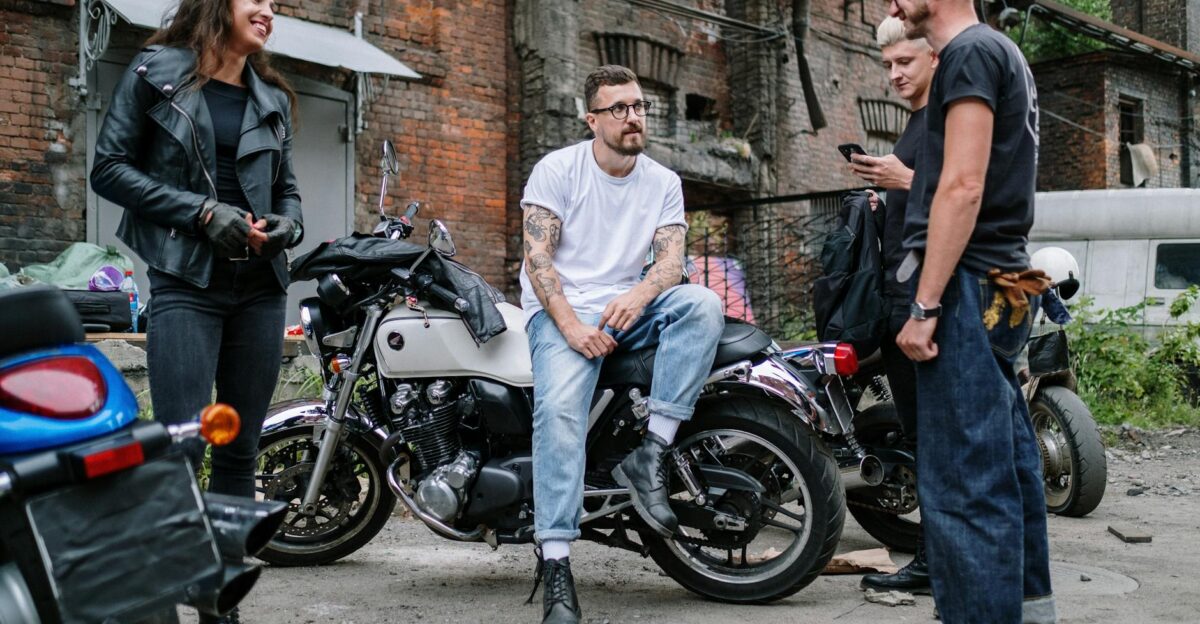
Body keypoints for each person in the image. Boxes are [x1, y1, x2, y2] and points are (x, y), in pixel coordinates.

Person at [90, 1, 302, 620]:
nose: (268, 11)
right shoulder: (157, 73)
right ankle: (157, 597)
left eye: (275, 4)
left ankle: (220, 603)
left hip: (260, 287)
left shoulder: (271, 97)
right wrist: (203, 212)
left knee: (238, 450)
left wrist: (288, 224)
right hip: (186, 280)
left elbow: (286, 188)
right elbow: (109, 168)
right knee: (185, 447)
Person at [520, 65, 724, 624]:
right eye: (619, 109)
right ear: (592, 120)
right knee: (560, 409)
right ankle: (557, 563)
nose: (633, 116)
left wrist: (638, 296)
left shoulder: (662, 180)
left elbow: (672, 263)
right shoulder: (557, 170)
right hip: (564, 311)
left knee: (702, 304)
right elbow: (539, 260)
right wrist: (569, 325)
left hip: (626, 306)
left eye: (639, 106)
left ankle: (651, 452)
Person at [887, 0, 1055, 622]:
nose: (892, 4)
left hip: (971, 283)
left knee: (962, 481)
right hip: (1008, 275)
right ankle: (1030, 610)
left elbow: (963, 185)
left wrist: (925, 302)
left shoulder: (968, 53)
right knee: (1007, 464)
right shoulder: (999, 49)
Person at [848, 16, 937, 596]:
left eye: (905, 62)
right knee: (923, 435)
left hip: (922, 303)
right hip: (905, 297)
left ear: (933, 57)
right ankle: (941, 555)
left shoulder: (949, 117)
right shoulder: (917, 123)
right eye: (888, 66)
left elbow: (966, 197)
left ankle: (937, 561)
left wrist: (905, 178)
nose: (895, 74)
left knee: (934, 438)